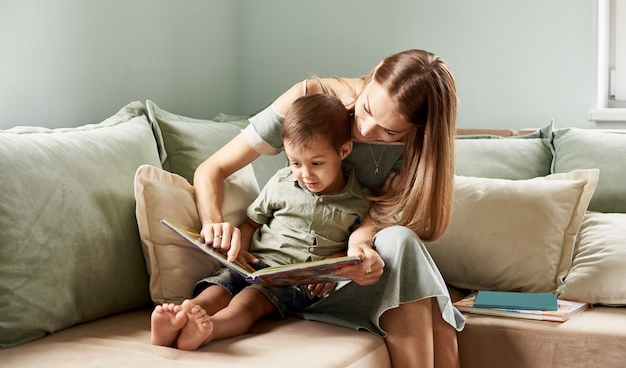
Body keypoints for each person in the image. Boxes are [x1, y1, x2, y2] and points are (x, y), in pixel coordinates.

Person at [193, 49, 465, 368]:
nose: (364, 130)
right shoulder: (309, 100)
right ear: (373, 73)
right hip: (296, 280)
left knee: (403, 245)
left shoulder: (416, 151)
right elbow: (212, 169)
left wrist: (351, 253)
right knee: (434, 310)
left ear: (417, 132)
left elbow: (377, 221)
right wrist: (214, 223)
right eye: (365, 109)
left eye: (389, 132)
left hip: (350, 273)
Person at [151, 93, 372, 351]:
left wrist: (331, 267)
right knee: (217, 290)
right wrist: (238, 254)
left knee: (249, 302)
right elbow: (251, 223)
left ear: (344, 150)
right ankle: (180, 318)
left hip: (292, 282)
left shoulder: (358, 201)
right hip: (253, 266)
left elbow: (352, 246)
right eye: (295, 163)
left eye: (317, 163)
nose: (305, 174)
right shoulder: (281, 182)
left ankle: (208, 330)